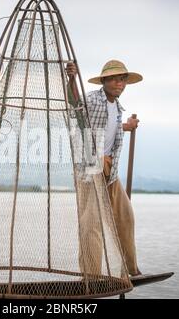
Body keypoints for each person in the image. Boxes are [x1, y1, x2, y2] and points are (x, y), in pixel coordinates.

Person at [66, 59, 142, 276]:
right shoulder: (93, 100)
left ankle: (131, 270)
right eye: (115, 79)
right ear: (105, 81)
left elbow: (110, 127)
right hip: (90, 168)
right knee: (92, 224)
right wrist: (71, 79)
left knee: (125, 216)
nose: (120, 83)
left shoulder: (116, 107)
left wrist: (127, 126)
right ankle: (91, 276)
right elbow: (75, 104)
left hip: (110, 169)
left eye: (123, 79)